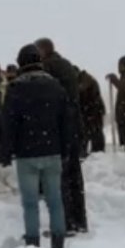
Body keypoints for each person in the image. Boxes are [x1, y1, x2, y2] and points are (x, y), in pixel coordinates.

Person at [4, 45, 71, 248]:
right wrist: (67, 148)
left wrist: (6, 150)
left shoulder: (15, 88)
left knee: (30, 203)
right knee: (55, 200)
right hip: (52, 151)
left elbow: (8, 123)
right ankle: (58, 245)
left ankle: (32, 246)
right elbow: (66, 121)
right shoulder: (56, 87)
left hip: (27, 154)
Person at [35, 37, 87, 235]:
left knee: (58, 177)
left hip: (58, 128)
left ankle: (63, 224)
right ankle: (78, 221)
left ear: (43, 50)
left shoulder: (48, 68)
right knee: (74, 177)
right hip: (73, 125)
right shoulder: (66, 65)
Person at [78, 70, 107, 154]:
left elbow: (83, 91)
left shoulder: (86, 81)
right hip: (92, 110)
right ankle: (97, 151)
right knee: (93, 131)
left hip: (92, 111)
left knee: (93, 132)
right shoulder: (88, 80)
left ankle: (97, 152)